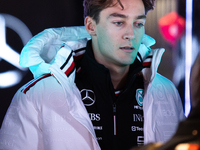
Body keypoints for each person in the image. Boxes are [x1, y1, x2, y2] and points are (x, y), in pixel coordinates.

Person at [0, 0, 185, 150]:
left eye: (138, 23)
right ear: (90, 25)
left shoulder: (166, 92)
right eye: (119, 22)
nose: (131, 34)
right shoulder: (36, 96)